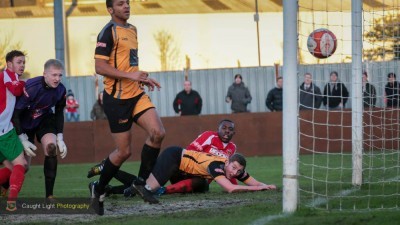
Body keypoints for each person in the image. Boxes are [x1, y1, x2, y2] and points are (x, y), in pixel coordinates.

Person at [90, 0, 165, 215]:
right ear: (110, 9)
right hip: (116, 98)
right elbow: (99, 66)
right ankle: (98, 188)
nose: (127, 6)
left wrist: (140, 78)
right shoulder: (107, 32)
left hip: (136, 93)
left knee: (158, 133)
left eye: (128, 2)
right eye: (121, 3)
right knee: (124, 152)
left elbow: (128, 63)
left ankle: (140, 183)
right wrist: (130, 75)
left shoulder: (132, 30)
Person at [87, 119, 238, 196]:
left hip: (195, 176)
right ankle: (107, 167)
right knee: (148, 186)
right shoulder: (209, 136)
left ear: (234, 133)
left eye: (230, 129)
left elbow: (229, 170)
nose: (226, 131)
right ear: (217, 129)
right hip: (182, 166)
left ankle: (108, 189)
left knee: (203, 187)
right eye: (223, 128)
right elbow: (191, 152)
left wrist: (235, 185)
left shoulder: (232, 149)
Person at [129, 146, 277, 204]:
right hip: (174, 158)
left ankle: (129, 188)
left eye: (238, 171)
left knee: (201, 184)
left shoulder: (232, 167)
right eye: (233, 168)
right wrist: (258, 189)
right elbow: (230, 188)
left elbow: (253, 182)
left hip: (184, 171)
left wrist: (265, 186)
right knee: (148, 189)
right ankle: (114, 175)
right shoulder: (216, 166)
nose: (234, 173)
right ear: (227, 163)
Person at [11, 59, 68, 200]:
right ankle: (5, 190)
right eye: (54, 75)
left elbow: (59, 112)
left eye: (60, 75)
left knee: (51, 148)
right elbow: (16, 114)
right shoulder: (31, 87)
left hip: (44, 119)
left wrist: (60, 137)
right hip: (24, 124)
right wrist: (22, 138)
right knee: (24, 166)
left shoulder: (61, 90)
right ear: (45, 74)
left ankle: (49, 195)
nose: (57, 79)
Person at [0, 50, 29, 211]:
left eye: (23, 62)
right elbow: (17, 90)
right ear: (9, 64)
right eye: (19, 62)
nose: (22, 65)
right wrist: (26, 84)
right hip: (3, 131)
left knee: (11, 169)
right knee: (21, 164)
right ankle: (11, 202)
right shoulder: (7, 75)